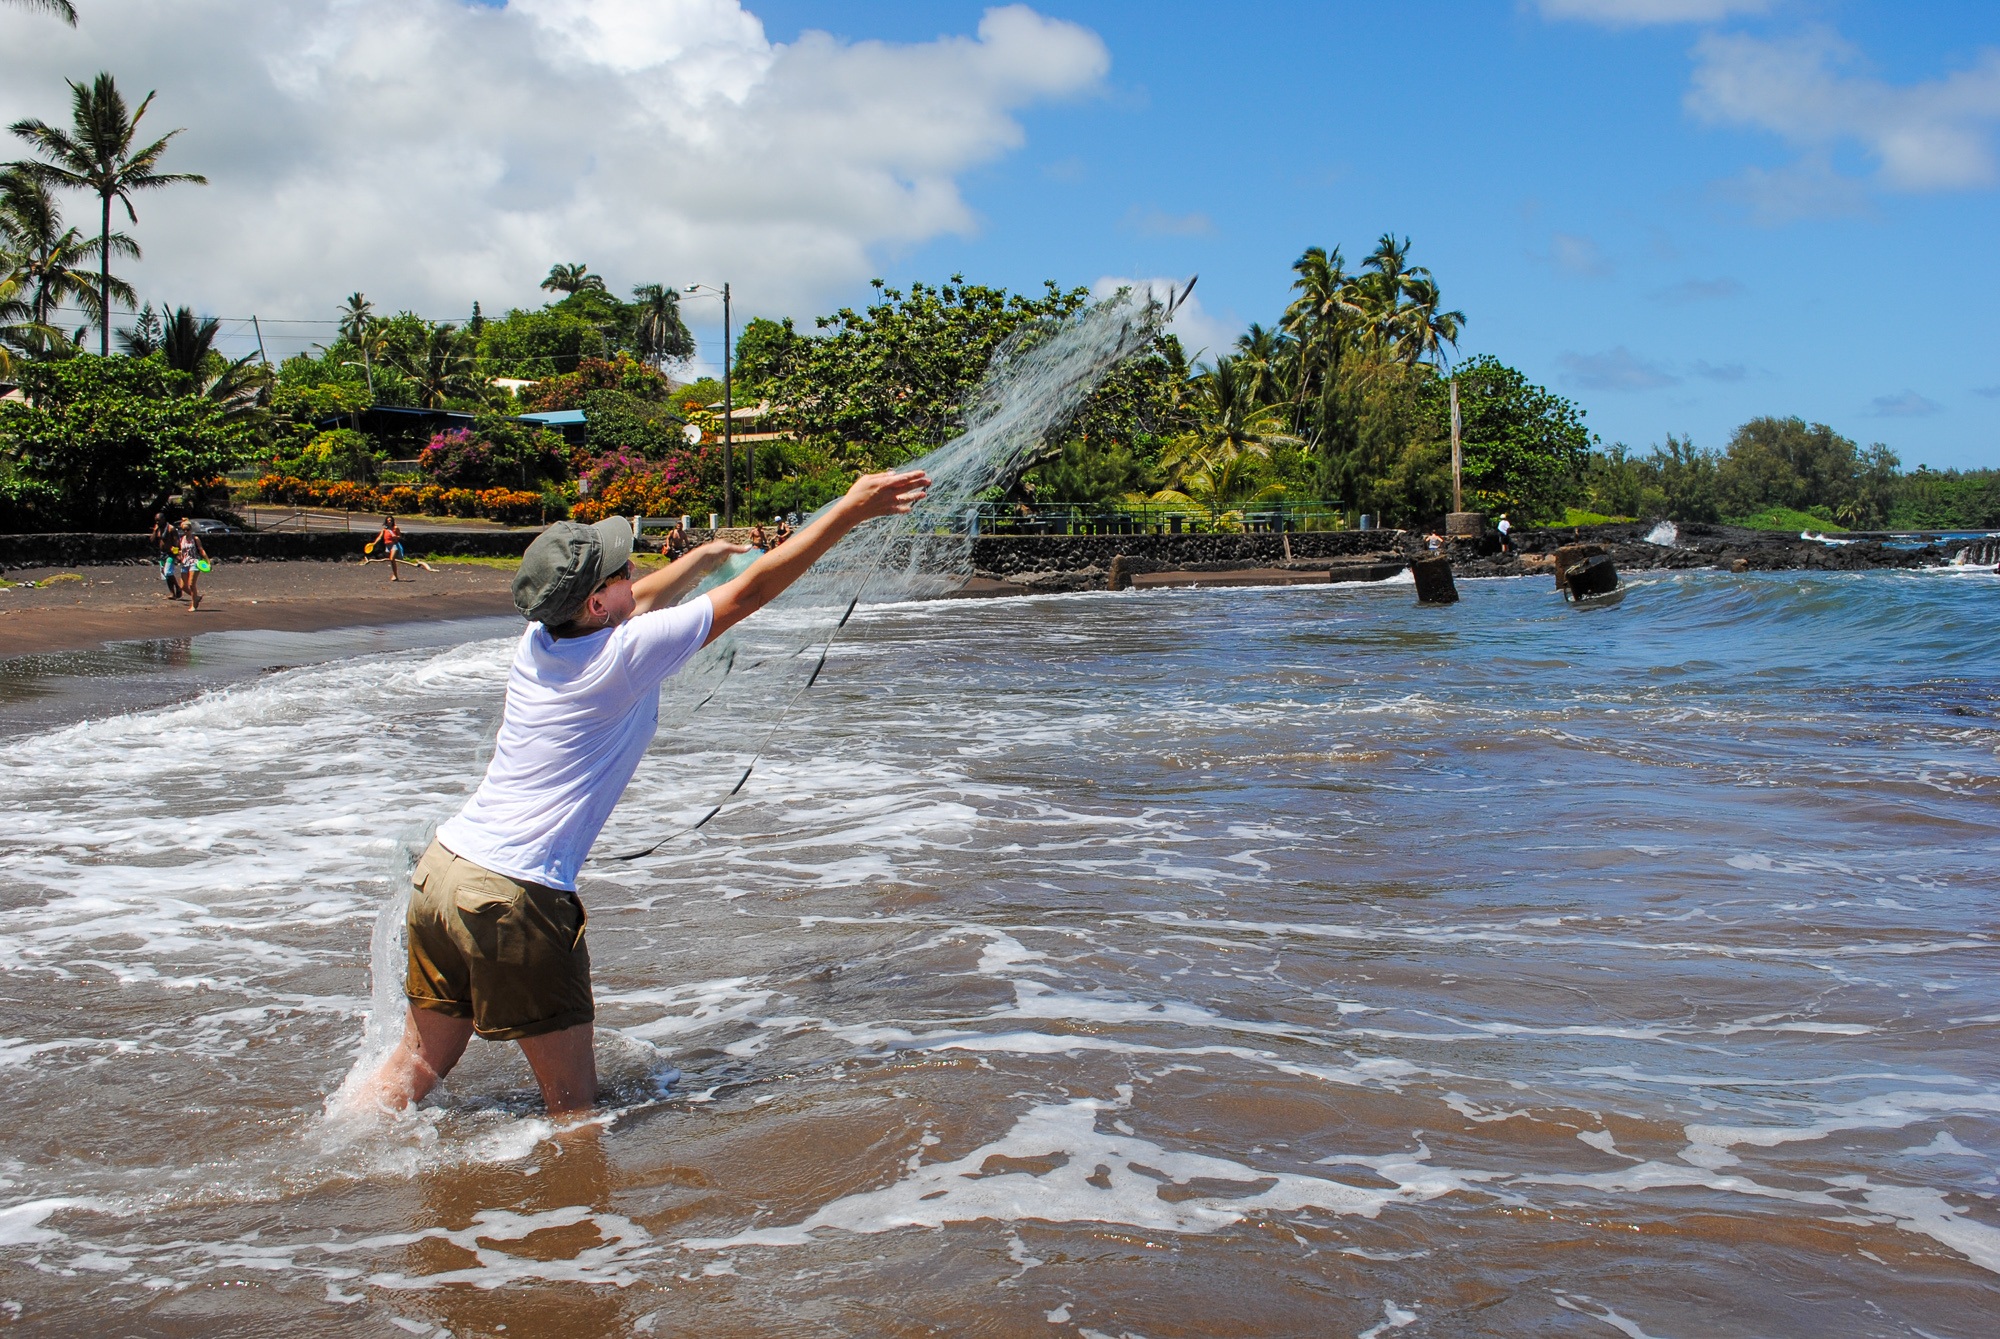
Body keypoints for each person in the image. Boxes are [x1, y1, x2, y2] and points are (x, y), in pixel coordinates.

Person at [353, 467, 929, 1117]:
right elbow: (751, 592)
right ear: (597, 604)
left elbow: (642, 596)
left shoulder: (541, 637)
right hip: (515, 896)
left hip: (445, 872)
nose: (632, 575)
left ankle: (330, 1154)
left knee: (413, 1067)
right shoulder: (622, 656)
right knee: (574, 1112)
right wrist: (852, 509)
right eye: (618, 571)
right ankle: (576, 1216)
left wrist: (702, 556)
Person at [176, 519, 207, 612]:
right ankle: (196, 597)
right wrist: (178, 555)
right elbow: (180, 551)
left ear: (191, 529)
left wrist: (207, 560)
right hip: (185, 563)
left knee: (191, 584)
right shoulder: (181, 539)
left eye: (187, 529)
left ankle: (194, 604)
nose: (186, 531)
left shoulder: (195, 539)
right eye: (184, 530)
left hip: (195, 562)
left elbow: (201, 549)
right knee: (183, 586)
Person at [152, 513, 183, 600]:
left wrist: (177, 553)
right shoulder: (158, 529)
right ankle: (174, 591)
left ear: (163, 519)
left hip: (170, 553)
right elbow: (152, 540)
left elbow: (177, 541)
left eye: (159, 520)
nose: (157, 522)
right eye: (156, 520)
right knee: (165, 575)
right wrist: (155, 531)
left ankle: (176, 588)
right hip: (162, 553)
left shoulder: (171, 528)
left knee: (168, 572)